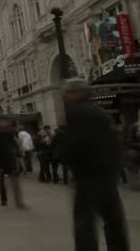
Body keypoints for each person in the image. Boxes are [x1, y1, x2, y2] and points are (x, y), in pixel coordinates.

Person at [63, 79, 129, 251]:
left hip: (88, 175)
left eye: (68, 92)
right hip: (107, 173)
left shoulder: (77, 113)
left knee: (84, 221)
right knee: (112, 218)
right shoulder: (101, 112)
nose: (65, 96)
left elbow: (74, 144)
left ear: (77, 93)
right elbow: (114, 141)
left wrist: (69, 161)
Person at [0, 116, 26, 208]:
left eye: (6, 123)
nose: (4, 124)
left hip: (10, 160)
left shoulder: (10, 133)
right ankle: (3, 199)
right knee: (1, 181)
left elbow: (15, 145)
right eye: (2, 123)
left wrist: (18, 155)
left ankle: (19, 202)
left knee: (15, 181)